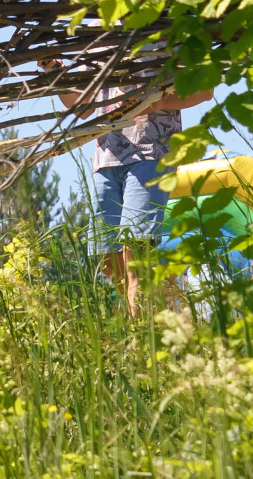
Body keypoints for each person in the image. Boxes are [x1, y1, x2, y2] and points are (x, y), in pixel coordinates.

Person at [58, 68, 212, 316]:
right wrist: (54, 70)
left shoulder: (162, 31)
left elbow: (205, 89)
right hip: (106, 156)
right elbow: (82, 106)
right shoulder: (99, 32)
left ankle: (140, 341)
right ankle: (160, 310)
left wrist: (156, 102)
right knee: (106, 256)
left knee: (136, 254)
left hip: (151, 151)